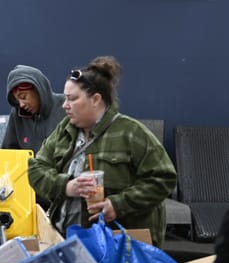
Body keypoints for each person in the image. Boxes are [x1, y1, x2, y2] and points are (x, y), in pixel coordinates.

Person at [28, 56, 177, 248]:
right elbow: (35, 169)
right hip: (66, 240)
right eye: (65, 98)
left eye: (72, 98)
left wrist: (118, 205)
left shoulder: (131, 133)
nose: (65, 105)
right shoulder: (64, 130)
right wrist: (66, 186)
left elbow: (164, 179)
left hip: (118, 246)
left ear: (96, 99)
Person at [2, 64, 66, 153]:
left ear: (38, 89)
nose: (21, 105)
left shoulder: (66, 106)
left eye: (23, 97)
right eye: (17, 100)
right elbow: (8, 152)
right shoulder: (17, 114)